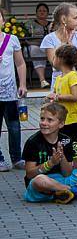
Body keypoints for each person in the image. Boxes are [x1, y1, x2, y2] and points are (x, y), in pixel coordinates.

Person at [22, 102, 77, 204]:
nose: (44, 123)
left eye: (49, 120)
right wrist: (50, 163)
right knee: (39, 180)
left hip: (63, 179)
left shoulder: (66, 140)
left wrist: (62, 157)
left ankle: (72, 191)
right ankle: (73, 190)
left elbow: (67, 173)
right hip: (43, 184)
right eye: (42, 119)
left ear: (61, 124)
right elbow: (30, 174)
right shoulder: (33, 142)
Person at [41, 3, 77, 161]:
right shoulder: (50, 38)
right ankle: (63, 159)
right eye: (75, 17)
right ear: (64, 19)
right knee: (61, 128)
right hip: (60, 85)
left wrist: (69, 45)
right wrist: (68, 47)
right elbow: (55, 63)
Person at [0, 10, 26, 172]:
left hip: (9, 92)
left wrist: (22, 84)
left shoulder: (12, 39)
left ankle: (17, 158)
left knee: (14, 126)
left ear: (3, 21)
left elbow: (20, 64)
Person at [46, 45, 77, 149]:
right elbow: (55, 95)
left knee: (75, 147)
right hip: (62, 119)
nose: (53, 60)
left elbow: (75, 96)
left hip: (72, 119)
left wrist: (57, 97)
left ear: (60, 59)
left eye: (54, 57)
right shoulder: (59, 78)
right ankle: (66, 164)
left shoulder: (73, 75)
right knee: (63, 146)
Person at [26, 3, 51, 88]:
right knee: (35, 49)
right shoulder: (30, 24)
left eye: (44, 11)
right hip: (34, 46)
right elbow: (26, 38)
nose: (42, 12)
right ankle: (42, 80)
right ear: (36, 13)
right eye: (40, 11)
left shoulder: (52, 24)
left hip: (48, 48)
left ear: (48, 13)